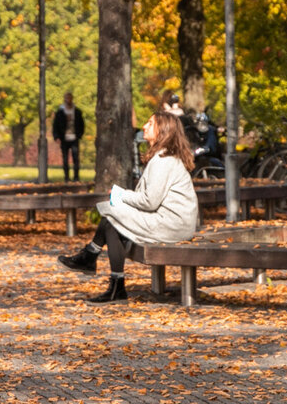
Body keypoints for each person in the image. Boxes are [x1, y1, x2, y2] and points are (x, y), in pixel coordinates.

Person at [57, 111, 198, 303]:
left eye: (150, 123)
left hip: (171, 224)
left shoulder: (163, 161)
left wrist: (121, 195)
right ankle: (109, 278)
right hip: (170, 221)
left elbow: (150, 202)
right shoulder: (163, 157)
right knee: (112, 218)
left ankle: (92, 257)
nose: (144, 126)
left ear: (162, 130)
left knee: (111, 213)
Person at [51, 92, 85, 181]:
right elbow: (55, 125)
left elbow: (81, 124)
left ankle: (76, 177)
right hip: (64, 138)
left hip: (74, 138)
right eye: (66, 98)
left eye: (69, 98)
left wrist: (79, 135)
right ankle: (66, 178)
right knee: (65, 159)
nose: (68, 100)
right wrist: (56, 137)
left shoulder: (77, 112)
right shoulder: (60, 112)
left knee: (75, 158)